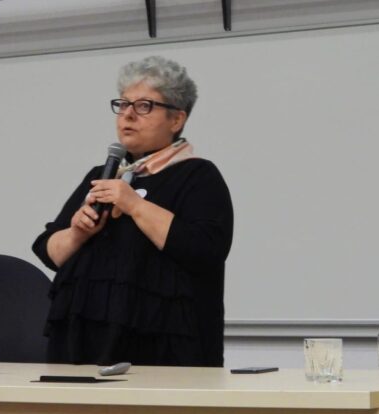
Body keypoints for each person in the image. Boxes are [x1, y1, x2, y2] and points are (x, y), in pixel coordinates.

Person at [32, 56, 234, 367]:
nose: (127, 115)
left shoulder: (198, 175)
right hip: (82, 345)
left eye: (144, 106)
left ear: (176, 119)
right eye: (123, 104)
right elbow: (49, 253)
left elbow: (205, 250)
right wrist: (77, 233)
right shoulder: (103, 174)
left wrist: (135, 205)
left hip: (162, 352)